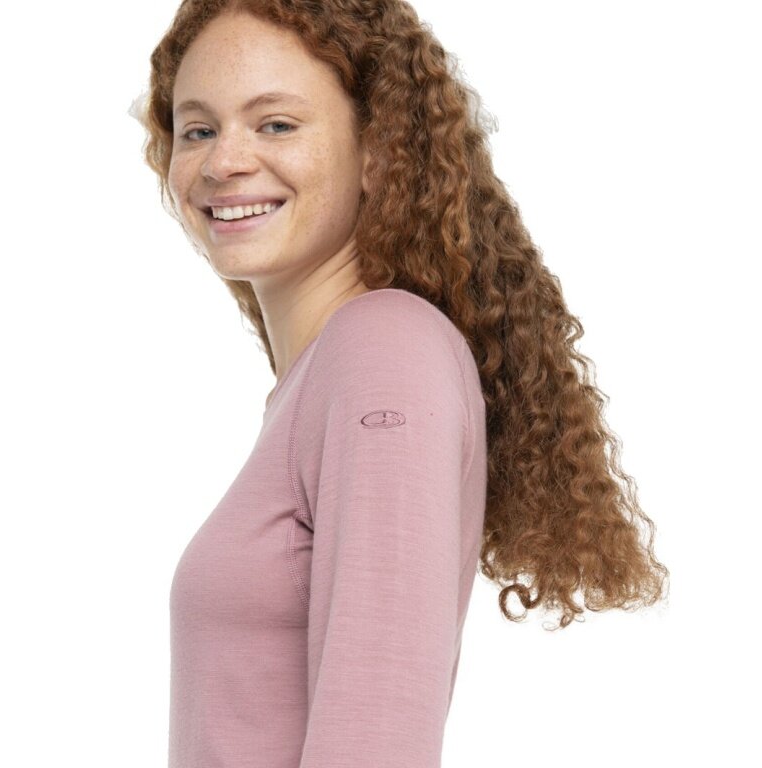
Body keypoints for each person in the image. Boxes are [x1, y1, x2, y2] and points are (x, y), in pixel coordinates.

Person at [132, 1, 670, 766]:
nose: (224, 162)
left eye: (276, 124)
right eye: (198, 130)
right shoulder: (329, 372)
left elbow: (376, 742)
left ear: (378, 150)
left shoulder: (381, 349)